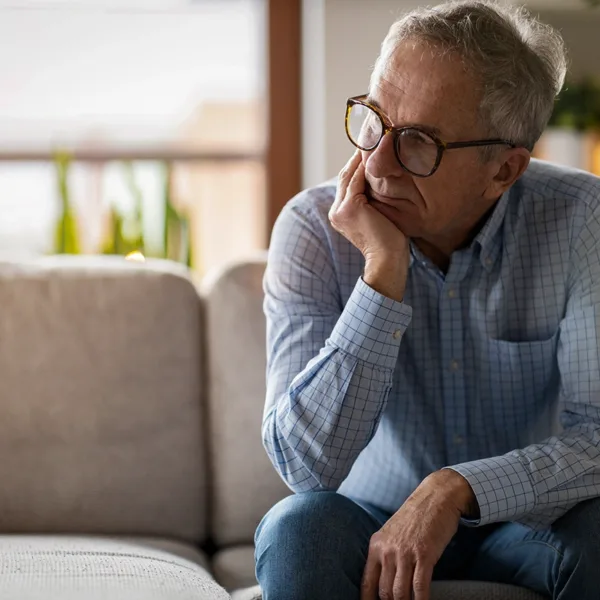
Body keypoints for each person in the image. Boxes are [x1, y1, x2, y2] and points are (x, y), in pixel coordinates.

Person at [255, 1, 600, 599]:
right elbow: (306, 470)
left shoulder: (583, 221)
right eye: (374, 119)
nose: (377, 161)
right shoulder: (312, 229)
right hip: (369, 518)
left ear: (504, 170)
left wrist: (456, 488)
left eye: (419, 143)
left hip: (525, 524)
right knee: (298, 531)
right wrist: (382, 274)